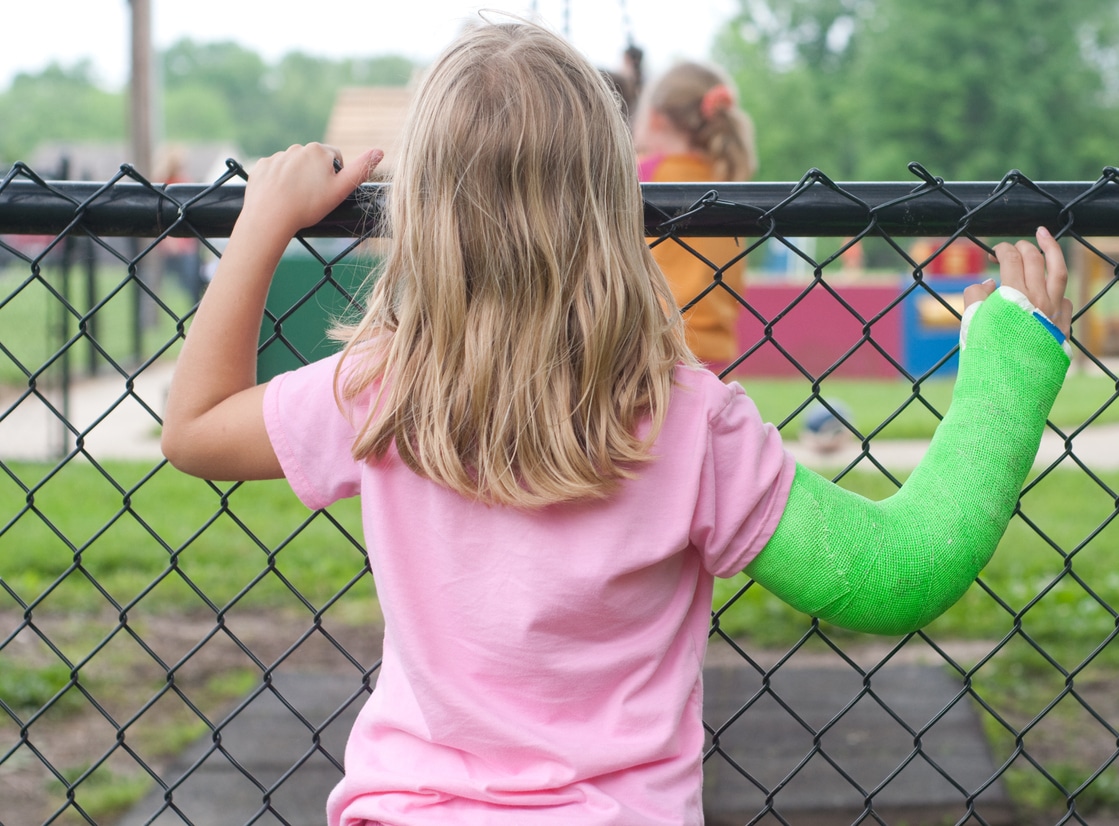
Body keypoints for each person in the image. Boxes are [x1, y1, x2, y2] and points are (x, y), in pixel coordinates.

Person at [160, 20, 1072, 826]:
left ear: (420, 209)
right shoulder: (686, 422)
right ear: (616, 202)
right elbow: (895, 572)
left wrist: (261, 224)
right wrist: (1012, 360)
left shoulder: (381, 389)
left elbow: (194, 427)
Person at [634, 61, 756, 371]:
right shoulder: (728, 180)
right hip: (716, 357)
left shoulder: (643, 175)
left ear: (657, 120)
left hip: (652, 348)